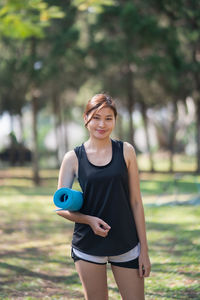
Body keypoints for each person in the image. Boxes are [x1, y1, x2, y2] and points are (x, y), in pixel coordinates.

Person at [56, 93, 151, 300]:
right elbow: (60, 206)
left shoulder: (126, 151)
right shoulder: (72, 158)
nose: (102, 124)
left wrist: (143, 250)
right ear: (86, 119)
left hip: (126, 242)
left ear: (115, 120)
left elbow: (136, 202)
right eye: (96, 117)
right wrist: (88, 220)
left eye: (109, 118)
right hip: (88, 245)